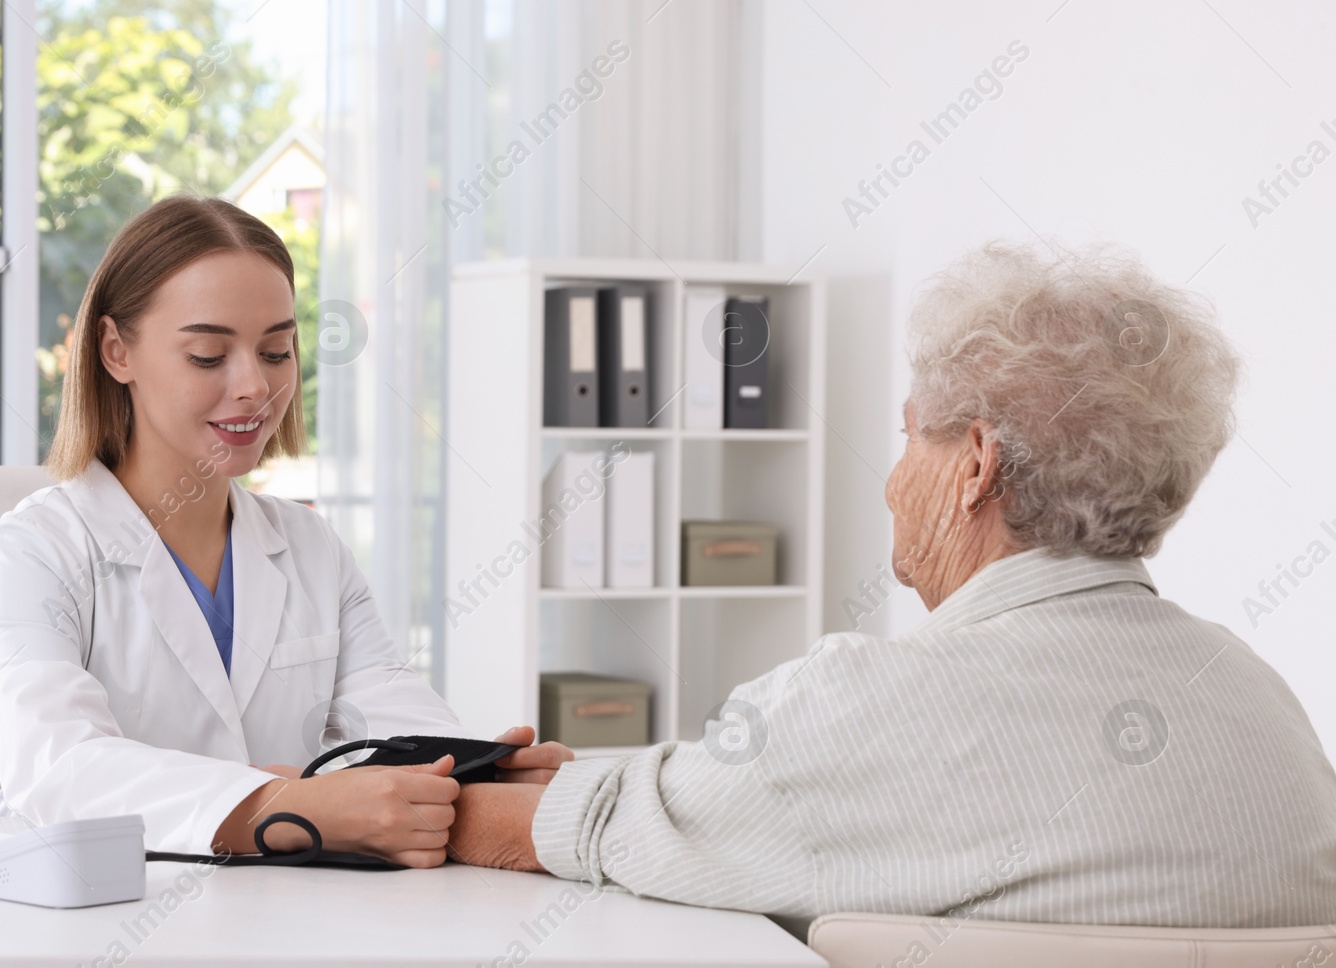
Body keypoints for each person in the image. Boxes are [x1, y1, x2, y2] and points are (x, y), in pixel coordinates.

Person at [448, 241, 1336, 929]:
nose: (890, 479)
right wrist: (626, 781)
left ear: (976, 466)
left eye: (913, 438)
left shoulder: (868, 704)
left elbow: (606, 832)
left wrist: (384, 805)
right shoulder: (1268, 708)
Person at [0, 196, 571, 865]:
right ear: (116, 351)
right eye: (206, 355)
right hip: (77, 923)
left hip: (280, 916)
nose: (255, 385)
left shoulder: (309, 547)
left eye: (277, 350)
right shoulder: (31, 554)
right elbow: (59, 770)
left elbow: (400, 724)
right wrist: (289, 804)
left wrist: (476, 774)